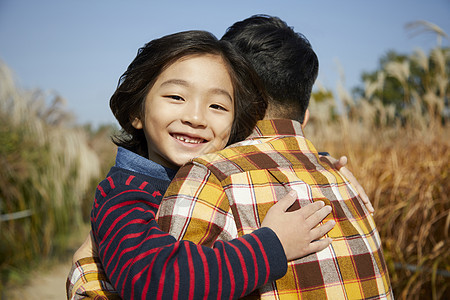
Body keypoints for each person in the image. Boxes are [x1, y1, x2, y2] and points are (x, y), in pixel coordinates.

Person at [67, 30, 336, 300]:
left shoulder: (218, 175)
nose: (196, 117)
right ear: (136, 112)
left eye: (217, 106)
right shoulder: (122, 195)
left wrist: (319, 162)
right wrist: (272, 246)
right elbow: (158, 281)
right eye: (176, 97)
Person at [157, 15, 393, 299]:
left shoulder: (210, 177)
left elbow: (162, 285)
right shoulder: (347, 184)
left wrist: (88, 262)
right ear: (304, 116)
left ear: (233, 93)